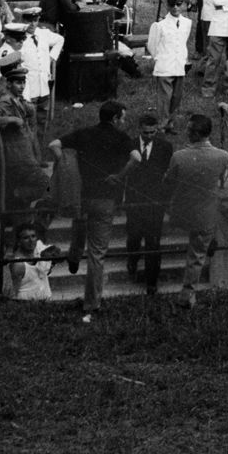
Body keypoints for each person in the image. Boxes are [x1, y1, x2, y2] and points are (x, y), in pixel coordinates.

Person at [53, 100, 136, 322]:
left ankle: (73, 255)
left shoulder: (84, 133)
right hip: (105, 199)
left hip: (82, 195)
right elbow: (136, 158)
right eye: (123, 117)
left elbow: (54, 144)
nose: (124, 121)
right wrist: (119, 176)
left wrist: (66, 167)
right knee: (97, 253)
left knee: (79, 225)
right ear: (116, 118)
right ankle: (92, 303)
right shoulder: (121, 138)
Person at [166, 113, 228, 307]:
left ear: (194, 133)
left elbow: (168, 182)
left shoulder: (179, 157)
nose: (186, 132)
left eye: (188, 129)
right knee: (197, 254)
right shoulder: (222, 156)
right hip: (206, 213)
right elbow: (222, 179)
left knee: (195, 252)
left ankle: (187, 297)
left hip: (182, 210)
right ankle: (188, 294)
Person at [123, 110, 177, 295]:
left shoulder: (165, 147)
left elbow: (169, 174)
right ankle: (132, 259)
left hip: (155, 202)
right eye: (145, 133)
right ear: (140, 130)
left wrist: (166, 198)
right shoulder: (129, 145)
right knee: (134, 235)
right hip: (134, 201)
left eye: (152, 132)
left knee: (153, 241)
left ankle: (151, 281)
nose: (149, 136)